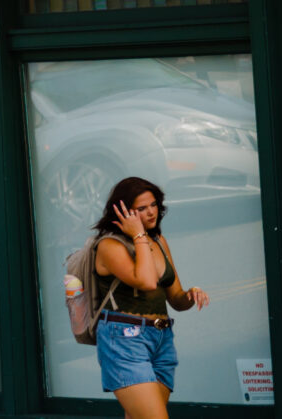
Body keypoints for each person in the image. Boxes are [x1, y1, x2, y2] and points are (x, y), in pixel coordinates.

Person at [90, 177, 209, 417]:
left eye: (153, 205)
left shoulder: (158, 241)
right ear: (123, 212)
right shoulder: (110, 245)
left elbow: (175, 298)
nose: (151, 212)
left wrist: (191, 295)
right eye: (141, 208)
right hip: (125, 340)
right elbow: (146, 281)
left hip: (161, 337)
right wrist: (138, 235)